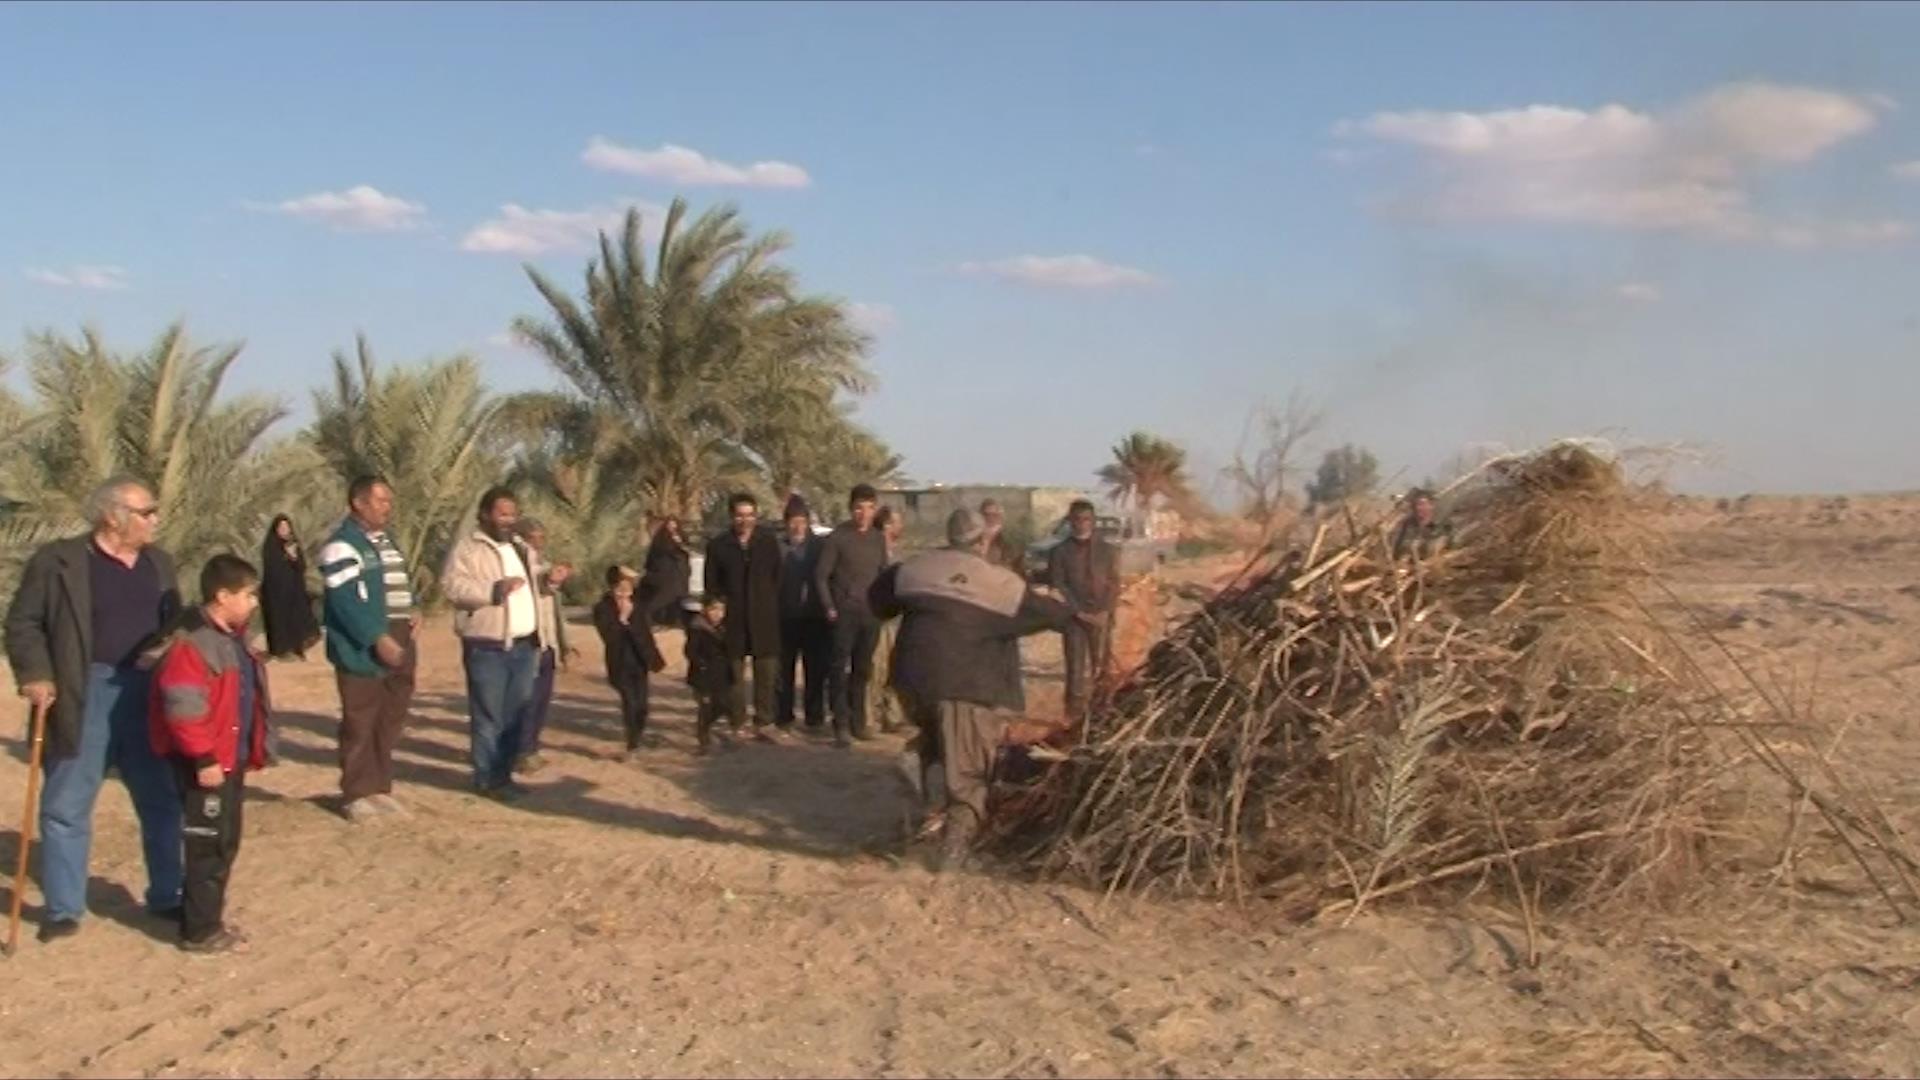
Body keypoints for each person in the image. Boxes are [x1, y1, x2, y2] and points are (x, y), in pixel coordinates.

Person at [4, 477, 184, 944]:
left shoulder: (159, 563)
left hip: (147, 691)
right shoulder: (60, 561)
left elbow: (176, 622)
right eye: (147, 511)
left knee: (161, 799)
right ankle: (64, 908)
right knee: (66, 804)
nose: (154, 520)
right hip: (84, 689)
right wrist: (36, 675)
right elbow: (24, 623)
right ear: (113, 516)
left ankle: (167, 895)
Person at [871, 508, 1074, 871]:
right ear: (984, 539)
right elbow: (1051, 615)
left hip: (912, 679)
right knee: (969, 771)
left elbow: (877, 600)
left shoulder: (915, 567)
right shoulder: (998, 582)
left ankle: (919, 757)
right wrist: (1066, 607)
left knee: (939, 736)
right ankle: (954, 855)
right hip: (965, 684)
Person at [145, 554, 271, 955]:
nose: (254, 603)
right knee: (207, 845)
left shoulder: (229, 639)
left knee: (224, 841)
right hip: (208, 764)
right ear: (222, 596)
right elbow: (183, 708)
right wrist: (203, 759)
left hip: (227, 759)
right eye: (248, 595)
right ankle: (199, 931)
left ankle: (205, 918)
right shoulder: (194, 645)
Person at [318, 475, 418, 825]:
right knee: (361, 717)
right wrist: (377, 637)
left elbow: (397, 581)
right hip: (364, 644)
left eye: (389, 501)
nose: (386, 507)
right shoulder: (342, 546)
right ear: (359, 503)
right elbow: (345, 602)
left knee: (390, 715)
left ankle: (379, 787)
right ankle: (356, 792)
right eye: (380, 501)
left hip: (399, 633)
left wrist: (411, 609)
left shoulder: (384, 541)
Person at [443, 487, 549, 801]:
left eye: (512, 513)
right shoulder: (469, 548)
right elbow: (451, 586)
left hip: (524, 645)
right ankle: (487, 778)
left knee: (515, 714)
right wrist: (492, 591)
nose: (508, 519)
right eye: (502, 513)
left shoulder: (521, 548)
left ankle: (504, 776)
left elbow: (533, 582)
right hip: (487, 645)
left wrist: (549, 581)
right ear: (485, 514)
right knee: (489, 715)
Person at [703, 493, 785, 741]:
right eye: (740, 515)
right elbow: (711, 585)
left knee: (766, 676)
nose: (745, 520)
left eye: (750, 515)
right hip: (734, 619)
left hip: (764, 618)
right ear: (731, 516)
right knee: (734, 677)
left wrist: (771, 604)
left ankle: (764, 722)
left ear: (756, 515)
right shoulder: (718, 545)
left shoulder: (768, 542)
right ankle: (737, 722)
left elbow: (778, 578)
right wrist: (716, 610)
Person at [814, 484, 888, 747]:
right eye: (859, 508)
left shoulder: (878, 538)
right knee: (838, 669)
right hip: (843, 615)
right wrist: (829, 607)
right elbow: (821, 576)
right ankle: (840, 725)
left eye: (869, 508)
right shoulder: (838, 537)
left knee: (863, 670)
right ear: (851, 509)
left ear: (874, 509)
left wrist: (885, 606)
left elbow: (883, 575)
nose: (864, 513)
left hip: (870, 616)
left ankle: (858, 722)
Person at [512, 518, 577, 776]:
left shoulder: (542, 566)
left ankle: (531, 748)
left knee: (541, 700)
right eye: (533, 538)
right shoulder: (520, 570)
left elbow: (555, 608)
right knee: (526, 701)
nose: (538, 543)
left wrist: (565, 646)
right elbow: (541, 581)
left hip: (547, 644)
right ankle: (521, 752)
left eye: (541, 538)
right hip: (529, 644)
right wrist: (550, 578)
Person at [1048, 499, 1119, 722]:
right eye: (1077, 519)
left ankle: (1103, 713)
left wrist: (1105, 611)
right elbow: (1058, 585)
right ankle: (1072, 718)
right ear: (1070, 521)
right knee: (1075, 670)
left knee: (1102, 668)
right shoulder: (1059, 552)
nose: (1082, 524)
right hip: (1073, 618)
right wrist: (1079, 612)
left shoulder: (1108, 550)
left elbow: (1114, 583)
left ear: (1093, 521)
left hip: (1102, 616)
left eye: (1087, 519)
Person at [591, 565, 666, 759]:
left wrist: (636, 575)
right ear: (612, 588)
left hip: (640, 660)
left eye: (628, 587)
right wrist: (623, 618)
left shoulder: (638, 602)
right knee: (630, 702)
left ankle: (638, 737)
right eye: (620, 588)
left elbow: (657, 585)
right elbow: (609, 636)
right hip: (620, 662)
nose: (625, 592)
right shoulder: (602, 608)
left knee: (642, 705)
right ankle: (633, 743)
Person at [775, 495, 829, 733]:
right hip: (784, 617)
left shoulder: (820, 547)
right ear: (786, 523)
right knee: (783, 670)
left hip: (814, 617)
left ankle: (814, 718)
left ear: (808, 522)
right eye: (793, 521)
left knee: (815, 670)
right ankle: (783, 716)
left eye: (802, 521)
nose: (797, 527)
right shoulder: (776, 547)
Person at [258, 515, 320, 660]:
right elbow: (272, 569)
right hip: (276, 593)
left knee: (299, 619)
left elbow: (301, 567)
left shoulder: (293, 544)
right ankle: (282, 651)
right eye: (281, 527)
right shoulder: (270, 546)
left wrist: (293, 557)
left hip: (295, 591)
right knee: (280, 621)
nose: (284, 530)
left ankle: (298, 648)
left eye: (287, 527)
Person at [869, 505, 908, 734]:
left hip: (895, 619)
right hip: (879, 617)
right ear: (887, 525)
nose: (901, 526)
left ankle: (892, 715)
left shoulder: (896, 553)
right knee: (876, 668)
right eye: (897, 521)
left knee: (896, 667)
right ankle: (873, 715)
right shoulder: (874, 551)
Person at [684, 593, 734, 755]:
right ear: (705, 610)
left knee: (722, 705)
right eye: (714, 609)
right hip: (703, 676)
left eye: (721, 609)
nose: (717, 613)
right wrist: (701, 664)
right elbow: (690, 651)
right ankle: (703, 741)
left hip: (721, 675)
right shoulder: (697, 628)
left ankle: (705, 728)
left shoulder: (725, 628)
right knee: (705, 707)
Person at [642, 516, 693, 629]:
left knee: (677, 599)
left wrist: (680, 544)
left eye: (674, 525)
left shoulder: (681, 538)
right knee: (662, 598)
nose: (672, 527)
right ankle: (648, 620)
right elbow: (654, 558)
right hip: (665, 574)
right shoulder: (660, 540)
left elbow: (687, 552)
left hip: (680, 574)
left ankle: (672, 621)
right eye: (669, 525)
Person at [1391, 488, 1453, 561]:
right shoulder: (1407, 525)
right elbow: (1397, 548)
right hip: (1408, 567)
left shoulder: (1443, 526)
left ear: (1431, 505)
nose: (1420, 508)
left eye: (1423, 504)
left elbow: (1451, 548)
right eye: (1417, 505)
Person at [980, 499, 1024, 575]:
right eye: (986, 515)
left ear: (1000, 516)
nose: (990, 518)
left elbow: (1013, 563)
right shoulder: (975, 537)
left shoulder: (1009, 538)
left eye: (995, 515)